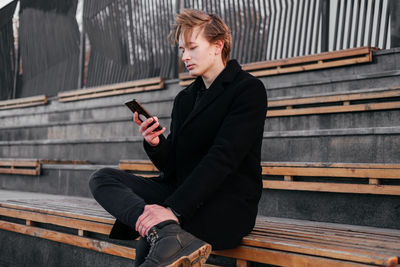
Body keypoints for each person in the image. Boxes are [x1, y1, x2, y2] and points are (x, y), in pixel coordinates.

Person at [89, 9, 267, 267]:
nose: (184, 56)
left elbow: (223, 158)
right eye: (182, 49)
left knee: (150, 244)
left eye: (192, 48)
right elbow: (173, 165)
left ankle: (162, 230)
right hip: (182, 191)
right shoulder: (185, 99)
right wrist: (156, 144)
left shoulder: (248, 90)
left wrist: (172, 209)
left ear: (218, 46)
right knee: (102, 178)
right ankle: (163, 229)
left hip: (226, 202)